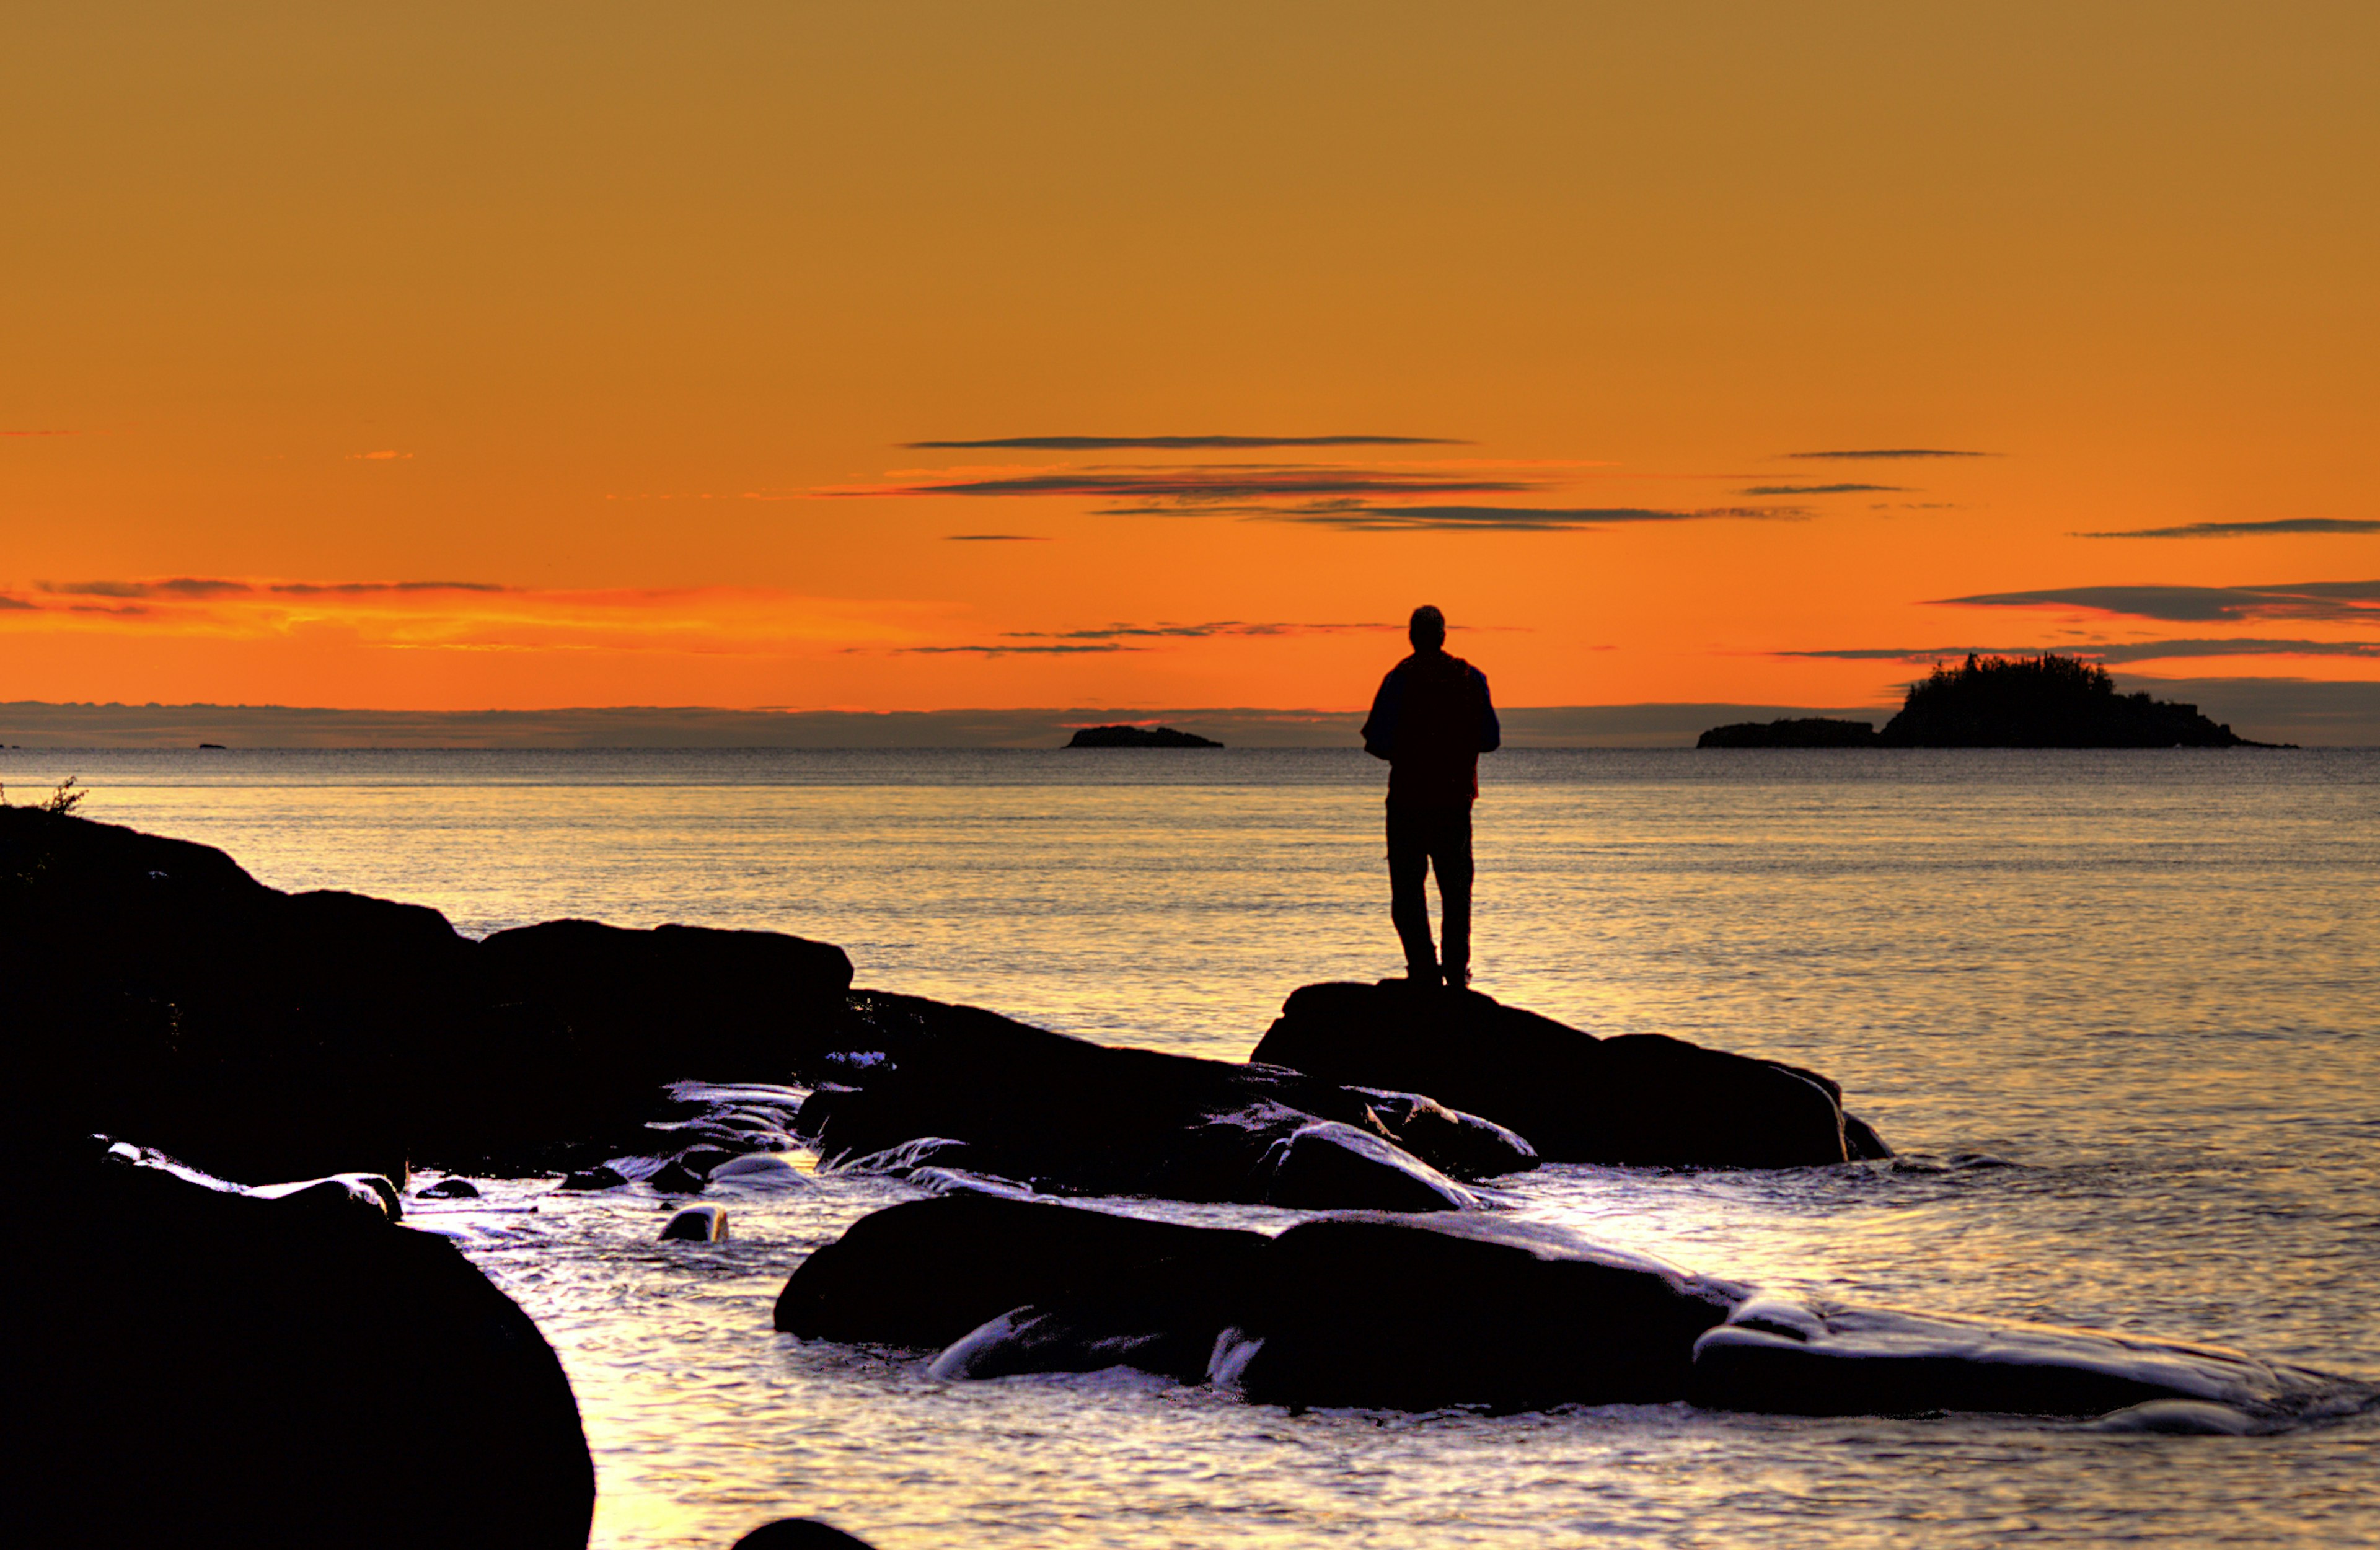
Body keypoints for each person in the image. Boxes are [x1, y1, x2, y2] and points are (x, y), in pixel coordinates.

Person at [1360, 605, 1500, 989]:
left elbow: (1376, 742)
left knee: (1407, 892)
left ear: (1412, 636)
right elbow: (1491, 740)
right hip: (1454, 800)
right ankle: (1456, 974)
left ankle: (1423, 968)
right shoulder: (1472, 678)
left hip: (1408, 800)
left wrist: (1414, 751)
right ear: (1443, 636)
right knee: (1456, 893)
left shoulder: (1398, 679)